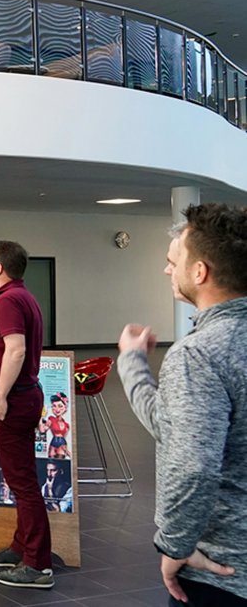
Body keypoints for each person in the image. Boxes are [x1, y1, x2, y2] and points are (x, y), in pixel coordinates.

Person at [117, 203, 247, 606]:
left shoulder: (200, 354)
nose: (167, 269)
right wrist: (134, 364)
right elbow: (176, 426)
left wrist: (176, 546)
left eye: (173, 261)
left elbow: (191, 464)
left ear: (200, 272)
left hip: (222, 571)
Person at [0, 240, 53, 590]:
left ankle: (37, 564)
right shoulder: (21, 297)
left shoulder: (8, 301)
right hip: (23, 397)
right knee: (20, 478)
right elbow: (10, 346)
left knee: (23, 484)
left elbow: (16, 351)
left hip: (13, 400)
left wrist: (0, 395)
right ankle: (22, 546)